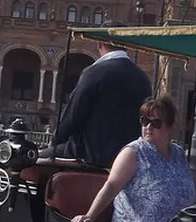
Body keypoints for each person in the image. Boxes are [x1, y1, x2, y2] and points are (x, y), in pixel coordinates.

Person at [71, 96, 194, 222]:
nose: (148, 127)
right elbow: (111, 186)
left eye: (156, 123)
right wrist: (90, 215)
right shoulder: (133, 153)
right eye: (144, 121)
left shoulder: (179, 154)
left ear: (169, 127)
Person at [47, 29, 152, 167]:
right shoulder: (143, 78)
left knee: (34, 160)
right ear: (127, 44)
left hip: (89, 154)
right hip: (129, 158)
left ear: (100, 43)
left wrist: (55, 139)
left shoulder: (94, 72)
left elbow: (73, 115)